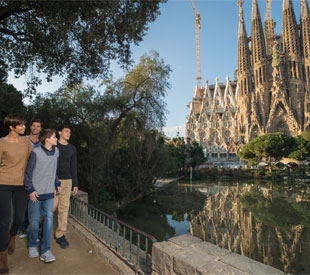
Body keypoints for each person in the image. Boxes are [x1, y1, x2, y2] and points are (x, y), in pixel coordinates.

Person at [0, 115, 32, 274]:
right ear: (11, 127)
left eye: (23, 125)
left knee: (19, 218)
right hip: (3, 184)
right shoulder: (1, 142)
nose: (23, 127)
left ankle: (12, 237)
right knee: (4, 221)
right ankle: (3, 257)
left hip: (21, 185)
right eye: (20, 125)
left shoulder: (26, 142)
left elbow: (33, 161)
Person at [24, 129, 61, 263]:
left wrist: (57, 182)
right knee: (34, 221)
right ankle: (33, 245)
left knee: (49, 219)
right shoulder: (36, 152)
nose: (56, 139)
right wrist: (30, 190)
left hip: (49, 193)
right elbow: (28, 173)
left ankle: (46, 250)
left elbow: (54, 170)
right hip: (35, 193)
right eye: (54, 136)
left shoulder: (56, 152)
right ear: (47, 139)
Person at [53, 125, 78, 248]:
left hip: (67, 181)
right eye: (66, 131)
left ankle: (60, 234)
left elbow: (73, 167)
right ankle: (42, 229)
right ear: (59, 132)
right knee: (50, 208)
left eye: (70, 132)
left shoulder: (72, 148)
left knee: (64, 208)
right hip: (53, 180)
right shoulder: (53, 145)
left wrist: (75, 183)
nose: (69, 133)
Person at [19, 119, 43, 239]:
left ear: (40, 129)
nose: (35, 128)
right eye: (33, 125)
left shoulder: (42, 144)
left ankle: (36, 230)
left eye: (38, 126)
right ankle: (23, 227)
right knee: (23, 205)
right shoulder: (23, 140)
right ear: (30, 127)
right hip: (22, 176)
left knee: (36, 205)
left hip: (36, 178)